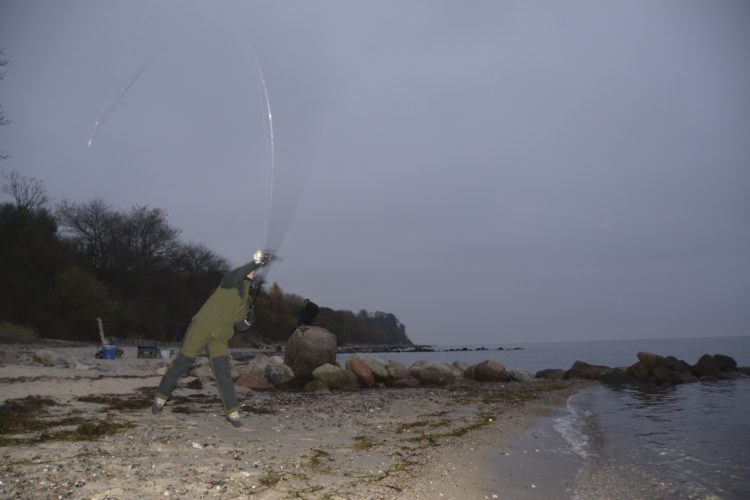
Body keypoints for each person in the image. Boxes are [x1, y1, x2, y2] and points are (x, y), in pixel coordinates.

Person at [152, 250, 269, 428]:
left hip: (220, 337)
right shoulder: (229, 281)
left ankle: (233, 412)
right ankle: (160, 399)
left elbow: (239, 326)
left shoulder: (246, 300)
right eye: (249, 270)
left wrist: (248, 320)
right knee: (182, 364)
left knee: (223, 372)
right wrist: (257, 262)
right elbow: (240, 272)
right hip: (202, 326)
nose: (250, 272)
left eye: (252, 272)